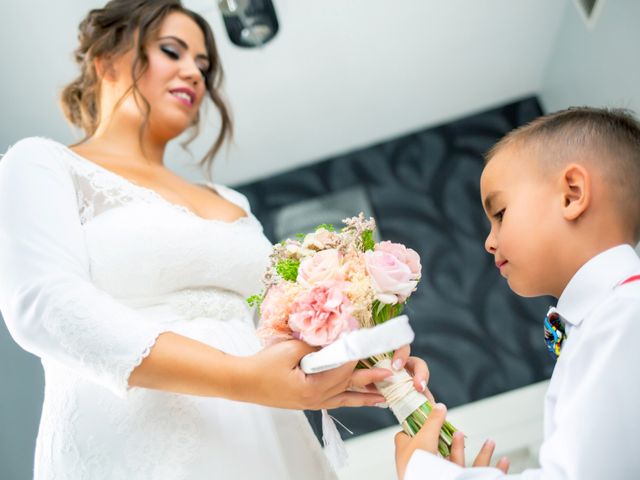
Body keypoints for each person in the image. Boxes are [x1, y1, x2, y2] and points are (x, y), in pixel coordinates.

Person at [0, 1, 429, 478]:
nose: (195, 73)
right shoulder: (44, 163)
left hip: (267, 441)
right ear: (105, 61)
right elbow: (43, 305)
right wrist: (241, 377)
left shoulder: (229, 199)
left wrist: (367, 357)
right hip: (136, 444)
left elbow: (276, 329)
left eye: (203, 65)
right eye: (172, 51)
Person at [394, 106, 640, 479]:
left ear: (572, 194)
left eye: (501, 213)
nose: (489, 242)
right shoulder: (610, 320)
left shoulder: (624, 318)